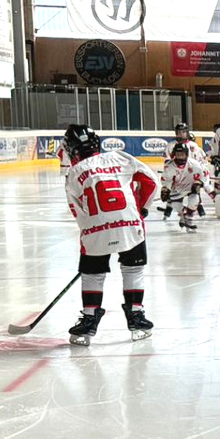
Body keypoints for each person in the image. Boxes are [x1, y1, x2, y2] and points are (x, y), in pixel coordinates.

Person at [61, 124, 159, 345]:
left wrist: (90, 231)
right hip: (130, 223)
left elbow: (76, 208)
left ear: (72, 148)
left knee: (92, 274)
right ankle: (136, 316)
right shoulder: (120, 157)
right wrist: (142, 208)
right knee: (133, 269)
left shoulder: (73, 173)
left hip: (95, 229)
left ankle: (88, 320)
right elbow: (151, 182)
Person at [158, 141, 211, 231]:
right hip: (177, 189)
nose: (180, 157)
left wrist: (200, 182)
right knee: (176, 205)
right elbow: (166, 180)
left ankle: (189, 218)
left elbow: (205, 174)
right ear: (174, 154)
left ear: (186, 154)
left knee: (195, 198)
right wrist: (165, 189)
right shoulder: (169, 166)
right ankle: (182, 214)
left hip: (190, 187)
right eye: (178, 154)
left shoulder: (195, 164)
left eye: (182, 154)